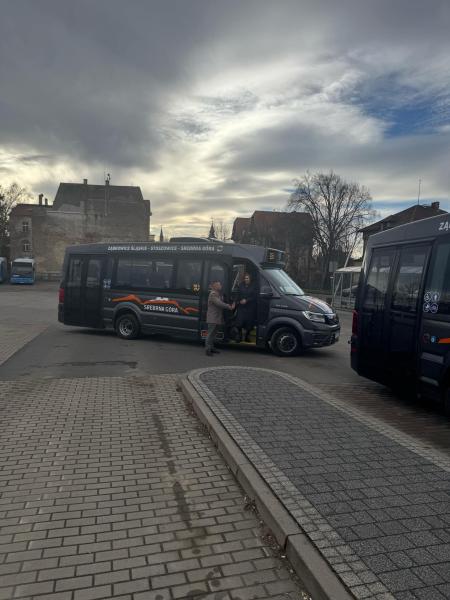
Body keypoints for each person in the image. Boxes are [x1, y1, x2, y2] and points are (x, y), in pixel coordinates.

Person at [205, 281, 234, 356]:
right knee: (210, 334)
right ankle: (208, 350)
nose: (221, 285)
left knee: (213, 334)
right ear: (215, 286)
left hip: (217, 318)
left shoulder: (218, 294)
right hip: (212, 318)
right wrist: (229, 306)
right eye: (219, 285)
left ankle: (212, 348)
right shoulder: (213, 294)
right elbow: (219, 303)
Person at [234, 273, 257, 342]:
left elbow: (255, 296)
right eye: (245, 278)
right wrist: (236, 301)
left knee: (249, 324)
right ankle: (239, 336)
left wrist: (246, 300)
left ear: (250, 279)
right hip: (241, 307)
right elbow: (238, 294)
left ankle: (247, 336)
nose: (246, 279)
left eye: (247, 278)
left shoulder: (254, 286)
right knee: (239, 322)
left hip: (250, 308)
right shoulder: (240, 285)